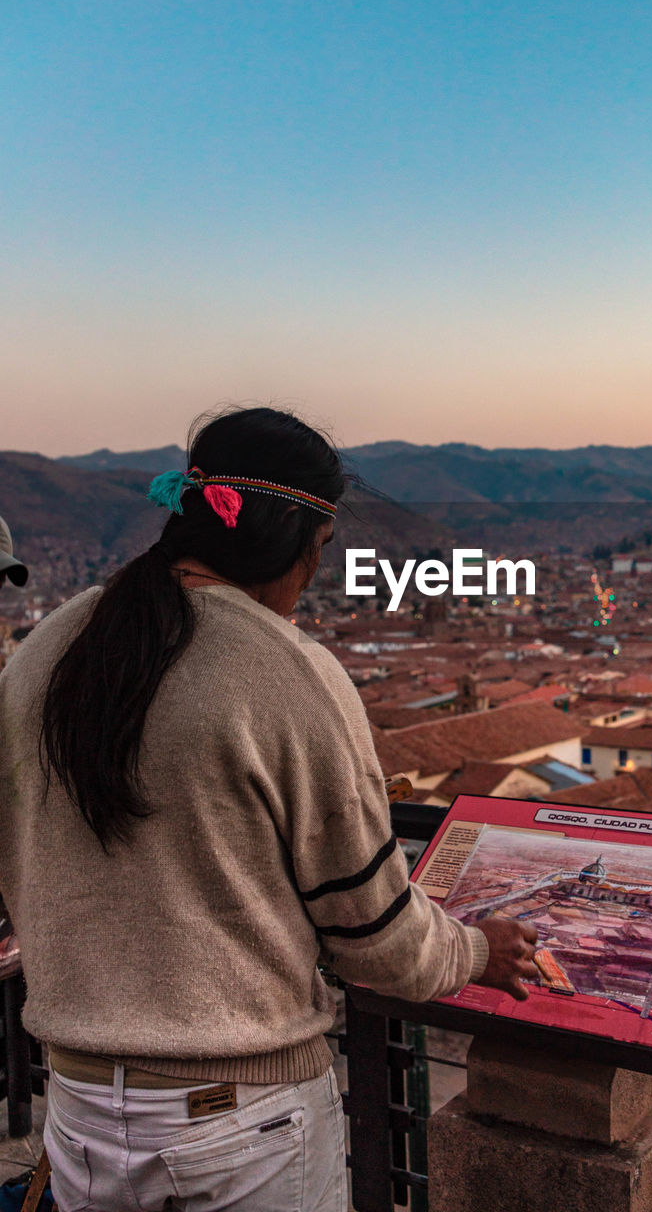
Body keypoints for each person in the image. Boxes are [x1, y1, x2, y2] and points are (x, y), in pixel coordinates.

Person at [0, 407, 538, 1212]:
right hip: (236, 1125)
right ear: (299, 538)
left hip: (74, 1109)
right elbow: (375, 938)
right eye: (320, 550)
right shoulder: (285, 672)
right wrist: (472, 951)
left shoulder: (49, 645)